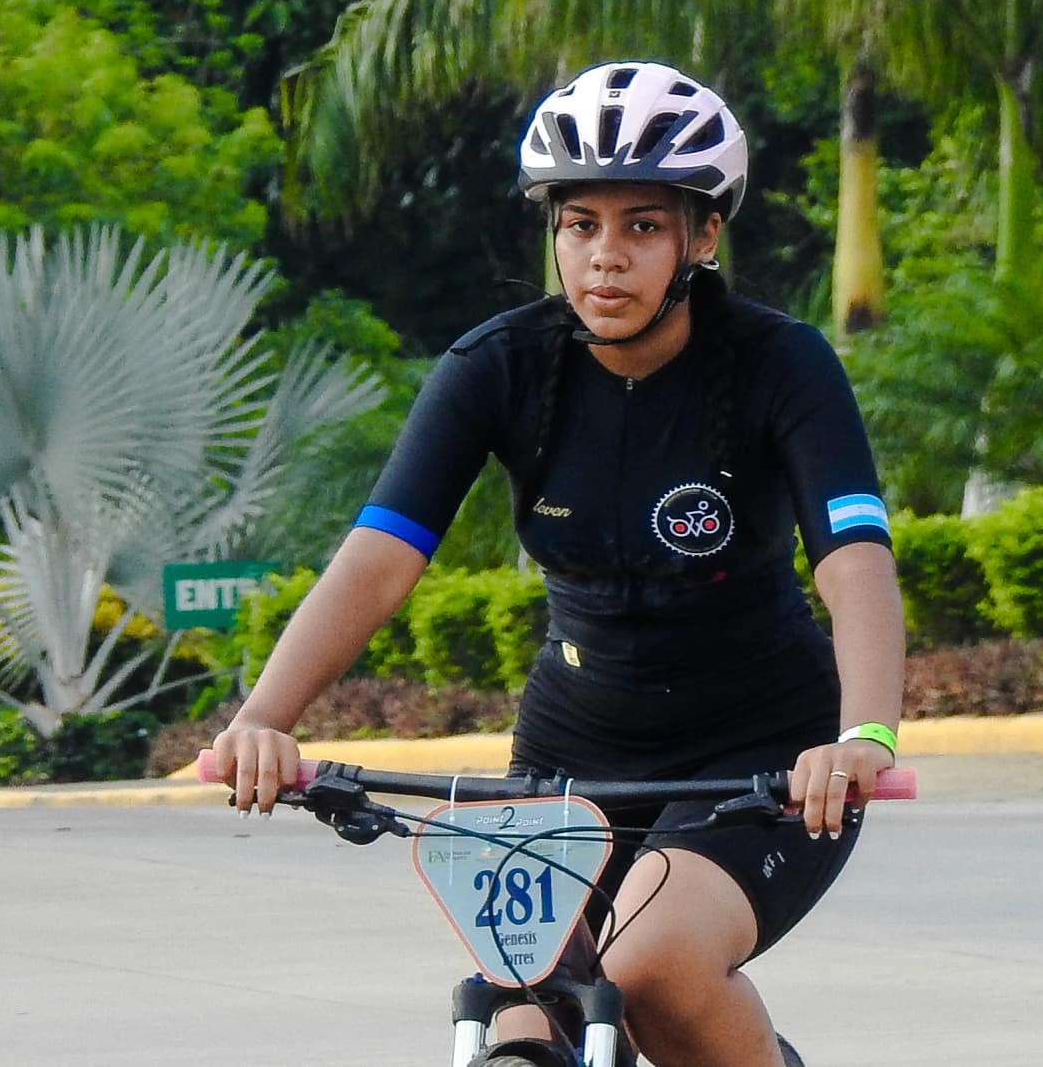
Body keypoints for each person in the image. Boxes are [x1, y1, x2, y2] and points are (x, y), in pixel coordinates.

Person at [210, 62, 907, 1067]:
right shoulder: (497, 365)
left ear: (702, 235)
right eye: (579, 224)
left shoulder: (779, 361)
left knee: (656, 968)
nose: (604, 258)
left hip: (760, 753)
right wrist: (263, 719)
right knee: (524, 1018)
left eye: (641, 225)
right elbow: (377, 559)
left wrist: (864, 734)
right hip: (572, 742)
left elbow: (853, 559)